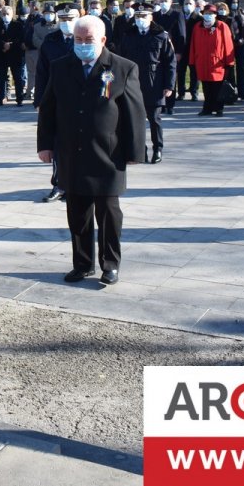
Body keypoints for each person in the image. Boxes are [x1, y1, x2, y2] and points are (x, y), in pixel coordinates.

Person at [36, 15, 145, 286]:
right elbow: (48, 108)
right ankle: (82, 263)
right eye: (78, 40)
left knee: (108, 213)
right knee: (77, 212)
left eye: (89, 40)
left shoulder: (123, 68)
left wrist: (134, 151)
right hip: (72, 151)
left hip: (108, 154)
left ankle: (110, 265)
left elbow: (134, 112)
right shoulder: (61, 67)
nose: (83, 44)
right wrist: (45, 145)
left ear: (103, 40)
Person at [118, 3, 175, 162]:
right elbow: (121, 60)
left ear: (151, 17)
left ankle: (158, 149)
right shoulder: (128, 35)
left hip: (154, 81)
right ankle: (139, 150)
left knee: (154, 119)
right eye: (137, 16)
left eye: (143, 16)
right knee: (135, 119)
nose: (140, 19)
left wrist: (169, 85)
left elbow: (170, 62)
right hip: (133, 82)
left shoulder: (161, 36)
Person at [34, 5, 79, 202]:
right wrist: (40, 101)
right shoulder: (50, 42)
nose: (66, 23)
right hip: (57, 99)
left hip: (81, 99)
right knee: (57, 144)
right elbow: (41, 73)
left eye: (70, 18)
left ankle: (76, 185)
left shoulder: (86, 40)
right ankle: (59, 184)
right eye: (63, 20)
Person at [188, 5, 235, 117]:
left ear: (215, 15)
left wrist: (229, 62)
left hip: (217, 63)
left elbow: (228, 44)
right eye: (206, 13)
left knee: (217, 86)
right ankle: (207, 108)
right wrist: (192, 60)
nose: (208, 15)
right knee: (206, 86)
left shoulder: (222, 26)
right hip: (202, 61)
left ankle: (219, 108)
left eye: (211, 13)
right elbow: (193, 45)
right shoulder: (197, 27)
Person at [1, 6, 26, 105]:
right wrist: (2, 45)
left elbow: (20, 38)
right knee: (2, 77)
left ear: (12, 15)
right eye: (4, 14)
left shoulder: (18, 25)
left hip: (15, 54)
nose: (5, 16)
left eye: (8, 14)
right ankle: (1, 97)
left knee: (17, 78)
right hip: (2, 54)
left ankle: (19, 98)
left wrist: (10, 44)